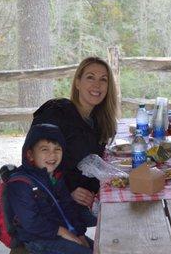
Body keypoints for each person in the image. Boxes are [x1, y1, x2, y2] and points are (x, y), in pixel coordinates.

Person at [32, 57, 118, 225]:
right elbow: (34, 163)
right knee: (120, 218)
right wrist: (68, 191)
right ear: (77, 82)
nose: (97, 85)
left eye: (103, 80)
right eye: (90, 77)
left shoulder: (97, 121)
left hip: (87, 200)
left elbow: (89, 165)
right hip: (54, 203)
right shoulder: (56, 113)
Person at [7, 123, 93, 254]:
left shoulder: (55, 176)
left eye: (57, 149)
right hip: (37, 239)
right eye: (44, 149)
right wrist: (62, 232)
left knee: (99, 248)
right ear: (30, 154)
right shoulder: (21, 184)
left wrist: (79, 233)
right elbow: (31, 223)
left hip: (60, 231)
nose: (52, 155)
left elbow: (68, 206)